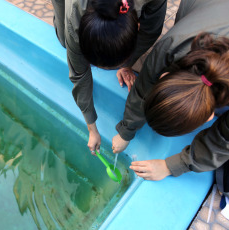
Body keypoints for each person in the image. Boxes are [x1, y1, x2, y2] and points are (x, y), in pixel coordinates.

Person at [112, 0, 229, 196]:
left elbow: (223, 141)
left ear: (210, 117)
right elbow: (144, 86)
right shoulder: (172, 46)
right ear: (164, 76)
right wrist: (126, 130)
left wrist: (171, 166)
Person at [52, 0, 167, 155]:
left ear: (136, 27)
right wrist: (91, 129)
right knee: (65, 40)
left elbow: (150, 31)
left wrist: (127, 64)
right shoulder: (76, 11)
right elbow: (79, 74)